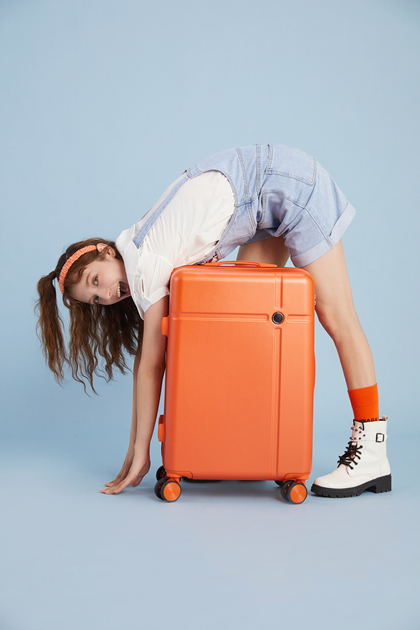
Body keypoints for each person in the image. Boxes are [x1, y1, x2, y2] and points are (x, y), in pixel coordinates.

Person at [36, 143, 391, 498]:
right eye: (96, 299)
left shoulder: (143, 264)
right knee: (245, 326)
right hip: (263, 199)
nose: (107, 294)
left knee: (338, 318)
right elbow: (146, 363)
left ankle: (371, 451)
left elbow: (151, 366)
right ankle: (231, 455)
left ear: (106, 252)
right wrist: (133, 448)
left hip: (287, 187)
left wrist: (141, 453)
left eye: (96, 280)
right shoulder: (137, 252)